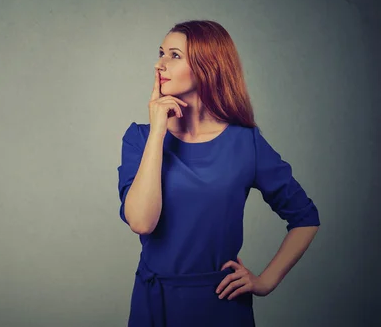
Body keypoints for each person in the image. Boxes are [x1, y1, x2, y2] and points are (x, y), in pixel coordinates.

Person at [117, 20, 320, 326]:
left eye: (174, 55)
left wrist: (265, 282)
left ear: (206, 66)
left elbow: (305, 218)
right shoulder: (139, 139)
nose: (160, 63)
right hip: (154, 303)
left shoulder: (245, 142)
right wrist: (158, 129)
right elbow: (142, 221)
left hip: (220, 303)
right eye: (160, 53)